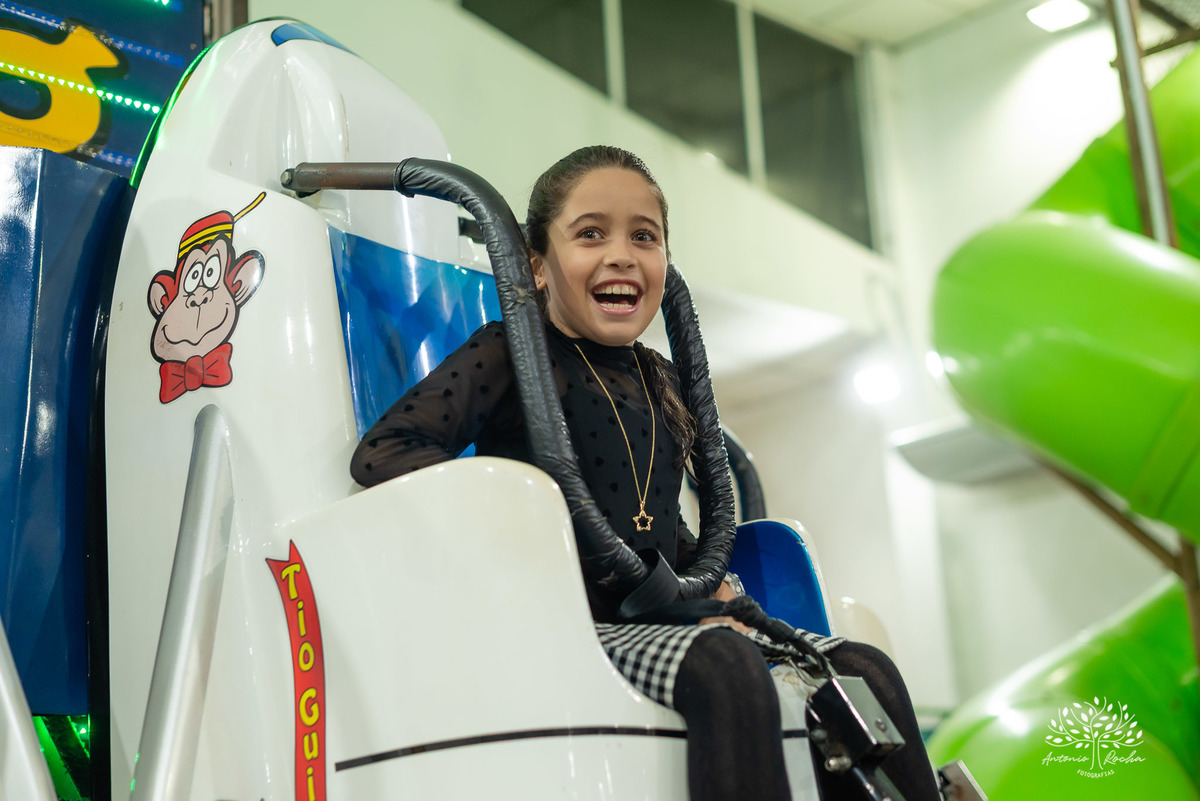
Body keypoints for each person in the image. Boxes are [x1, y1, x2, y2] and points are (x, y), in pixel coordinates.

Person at [351, 145, 941, 801]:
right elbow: (385, 450)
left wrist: (715, 587)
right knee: (727, 664)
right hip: (569, 619)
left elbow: (653, 525)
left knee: (864, 666)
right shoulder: (509, 351)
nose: (622, 254)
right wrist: (517, 515)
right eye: (591, 233)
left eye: (644, 236)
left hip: (656, 614)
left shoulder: (659, 378)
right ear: (538, 267)